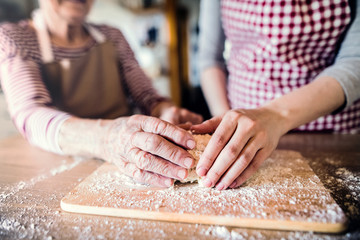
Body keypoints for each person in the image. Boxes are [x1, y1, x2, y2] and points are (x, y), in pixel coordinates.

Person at [0, 0, 203, 187]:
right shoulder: (15, 38)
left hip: (127, 166)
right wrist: (109, 138)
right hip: (57, 174)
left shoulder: (112, 37)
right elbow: (30, 114)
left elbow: (147, 97)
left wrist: (165, 111)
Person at [195, 0, 360, 190]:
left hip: (329, 133)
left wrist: (275, 115)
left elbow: (354, 60)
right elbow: (210, 59)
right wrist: (228, 126)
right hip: (245, 133)